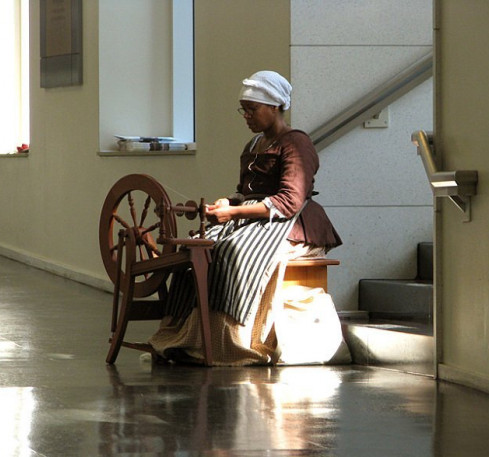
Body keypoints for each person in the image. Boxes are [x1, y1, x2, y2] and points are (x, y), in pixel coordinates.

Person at [148, 70, 348, 365]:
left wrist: (235, 211)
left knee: (232, 251)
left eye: (252, 109)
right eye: (244, 109)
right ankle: (189, 335)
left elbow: (290, 201)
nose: (246, 115)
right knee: (198, 246)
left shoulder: (295, 143)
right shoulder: (253, 145)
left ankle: (230, 339)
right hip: (255, 220)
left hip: (292, 225)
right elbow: (245, 193)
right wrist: (226, 204)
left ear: (275, 106)